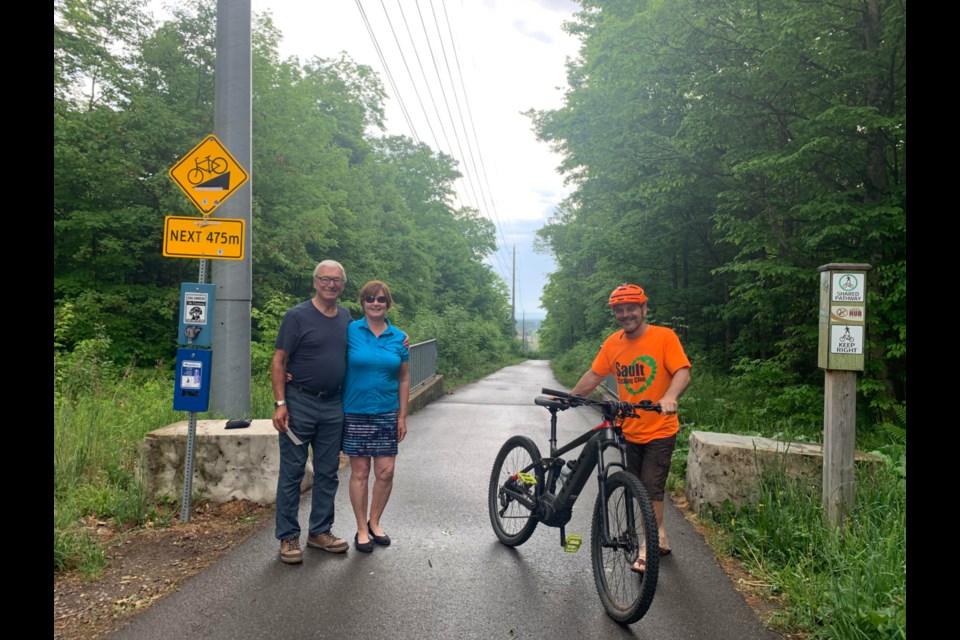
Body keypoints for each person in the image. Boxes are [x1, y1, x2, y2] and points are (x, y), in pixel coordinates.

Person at [569, 283, 691, 574]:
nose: (626, 315)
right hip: (629, 429)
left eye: (631, 309)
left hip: (660, 427)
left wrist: (670, 396)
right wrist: (570, 398)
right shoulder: (613, 343)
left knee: (651, 488)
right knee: (639, 488)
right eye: (619, 310)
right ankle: (659, 534)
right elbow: (595, 375)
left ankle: (648, 547)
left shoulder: (664, 337)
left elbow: (682, 372)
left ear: (644, 309)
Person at [271, 260, 353, 564]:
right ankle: (288, 536)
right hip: (299, 404)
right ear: (315, 282)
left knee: (328, 473)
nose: (331, 284)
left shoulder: (345, 317)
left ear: (343, 285)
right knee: (292, 473)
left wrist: (401, 339)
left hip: (333, 405)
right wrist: (281, 404)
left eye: (336, 280)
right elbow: (279, 360)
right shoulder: (296, 316)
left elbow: (367, 340)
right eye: (325, 279)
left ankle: (319, 531)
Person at [342, 281, 410, 553]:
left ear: (388, 303)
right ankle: (360, 529)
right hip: (356, 411)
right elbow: (321, 351)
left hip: (387, 412)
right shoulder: (350, 331)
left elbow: (404, 378)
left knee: (386, 471)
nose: (375, 303)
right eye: (370, 298)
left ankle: (375, 522)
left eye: (381, 299)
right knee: (360, 472)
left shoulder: (399, 337)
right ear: (362, 302)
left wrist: (402, 416)